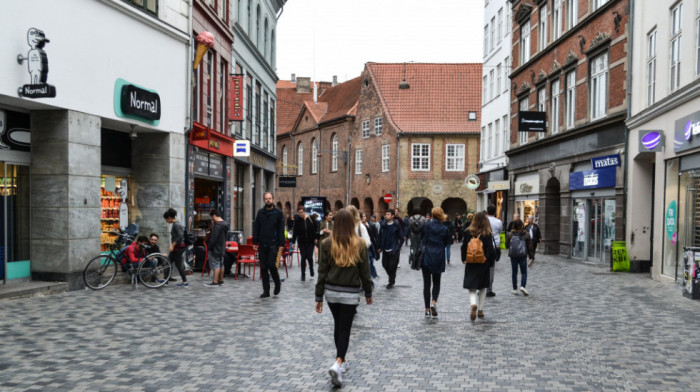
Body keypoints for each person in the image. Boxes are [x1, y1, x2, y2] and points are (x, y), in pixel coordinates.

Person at [315, 208, 373, 388]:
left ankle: (341, 360)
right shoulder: (360, 244)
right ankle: (338, 362)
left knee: (338, 326)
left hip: (331, 293)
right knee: (344, 329)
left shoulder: (326, 244)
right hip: (350, 293)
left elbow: (322, 272)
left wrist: (318, 296)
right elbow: (365, 272)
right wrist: (368, 292)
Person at [461, 211, 497, 321]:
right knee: (482, 287)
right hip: (483, 262)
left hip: (471, 262)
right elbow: (491, 250)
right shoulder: (487, 233)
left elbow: (463, 246)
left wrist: (464, 259)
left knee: (471, 286)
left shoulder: (468, 232)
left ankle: (473, 304)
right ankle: (480, 310)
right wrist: (490, 262)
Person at [252, 192, 285, 298]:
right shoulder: (260, 212)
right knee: (263, 267)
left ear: (273, 199)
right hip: (262, 243)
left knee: (271, 265)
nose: (268, 200)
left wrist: (281, 243)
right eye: (266, 199)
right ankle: (266, 290)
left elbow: (281, 229)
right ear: (264, 200)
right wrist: (254, 242)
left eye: (270, 198)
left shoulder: (278, 213)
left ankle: (277, 283)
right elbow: (256, 228)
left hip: (273, 243)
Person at [420, 207, 451, 318]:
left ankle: (427, 309)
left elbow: (422, 238)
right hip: (438, 256)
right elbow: (447, 242)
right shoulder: (444, 228)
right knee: (437, 281)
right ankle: (434, 302)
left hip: (427, 255)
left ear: (432, 215)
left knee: (426, 283)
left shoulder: (427, 225)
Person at [506, 219, 535, 296]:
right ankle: (522, 286)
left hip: (513, 255)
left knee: (514, 272)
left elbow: (506, 245)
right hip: (522, 255)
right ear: (522, 225)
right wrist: (532, 257)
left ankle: (514, 289)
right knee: (524, 272)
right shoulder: (526, 234)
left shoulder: (510, 234)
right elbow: (530, 247)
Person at [378, 209, 404, 288]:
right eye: (386, 214)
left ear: (392, 216)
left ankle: (391, 281)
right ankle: (392, 276)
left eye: (388, 214)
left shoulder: (396, 225)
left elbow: (401, 238)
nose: (386, 216)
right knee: (385, 264)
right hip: (385, 248)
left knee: (392, 266)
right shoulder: (383, 225)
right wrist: (379, 247)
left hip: (394, 249)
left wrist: (398, 247)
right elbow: (379, 236)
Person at [292, 205, 319, 281]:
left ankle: (311, 268)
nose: (300, 214)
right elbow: (295, 232)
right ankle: (303, 274)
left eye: (302, 212)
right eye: (299, 212)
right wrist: (293, 242)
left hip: (310, 241)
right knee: (303, 257)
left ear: (304, 211)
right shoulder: (297, 220)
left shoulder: (311, 218)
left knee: (309, 257)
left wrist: (316, 237)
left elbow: (317, 227)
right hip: (301, 242)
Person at [163, 208, 189, 288]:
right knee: (168, 262)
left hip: (179, 248)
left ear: (169, 218)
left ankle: (185, 282)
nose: (166, 221)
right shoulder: (176, 224)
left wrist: (172, 245)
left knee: (177, 265)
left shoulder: (177, 224)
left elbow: (180, 236)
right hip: (177, 247)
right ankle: (166, 280)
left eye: (166, 219)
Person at [204, 209, 228, 287]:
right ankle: (221, 280)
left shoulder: (218, 225)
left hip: (216, 248)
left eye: (212, 217)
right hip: (221, 247)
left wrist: (209, 247)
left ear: (214, 215)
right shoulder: (224, 223)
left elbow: (214, 238)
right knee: (221, 264)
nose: (212, 219)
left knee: (216, 264)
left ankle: (215, 281)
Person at [486, 204, 504, 297]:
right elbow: (500, 232)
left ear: (487, 211)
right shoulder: (498, 222)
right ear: (495, 212)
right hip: (494, 246)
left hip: (484, 246)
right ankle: (489, 289)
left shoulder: (483, 221)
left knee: (482, 267)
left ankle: (481, 288)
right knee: (491, 267)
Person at [360, 211, 379, 280]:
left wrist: (377, 247)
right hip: (362, 247)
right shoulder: (359, 226)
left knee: (370, 262)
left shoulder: (371, 225)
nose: (363, 218)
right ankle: (369, 278)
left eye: (364, 216)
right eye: (361, 216)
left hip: (371, 247)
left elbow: (376, 237)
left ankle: (371, 277)